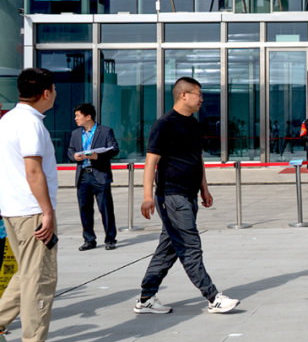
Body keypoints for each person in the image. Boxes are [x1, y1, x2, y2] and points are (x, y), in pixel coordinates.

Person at [135, 77, 239, 316]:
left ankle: (146, 298)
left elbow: (196, 157)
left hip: (189, 194)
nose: (201, 99)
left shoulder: (192, 123)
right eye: (198, 94)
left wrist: (204, 187)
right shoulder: (164, 124)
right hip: (172, 195)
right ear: (184, 95)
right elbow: (150, 162)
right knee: (190, 245)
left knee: (168, 249)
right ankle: (213, 297)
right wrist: (147, 196)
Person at [0, 68, 74, 342]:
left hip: (13, 209)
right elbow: (33, 172)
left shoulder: (7, 120)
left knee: (26, 274)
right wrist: (47, 211)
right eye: (53, 89)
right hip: (32, 210)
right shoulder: (31, 124)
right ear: (46, 92)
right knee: (40, 277)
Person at [67, 103, 120, 251]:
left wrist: (98, 156)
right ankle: (89, 240)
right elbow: (70, 150)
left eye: (78, 115)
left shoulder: (105, 131)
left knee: (105, 209)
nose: (75, 118)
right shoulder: (75, 134)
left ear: (88, 116)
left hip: (99, 174)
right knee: (85, 209)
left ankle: (110, 239)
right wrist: (74, 156)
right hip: (83, 175)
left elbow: (114, 149)